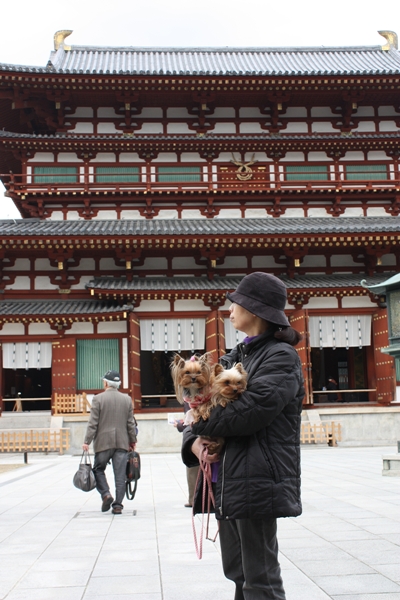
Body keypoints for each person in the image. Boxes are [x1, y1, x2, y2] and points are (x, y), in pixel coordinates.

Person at [182, 272, 305, 600]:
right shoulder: (235, 357)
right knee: (237, 573)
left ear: (254, 310)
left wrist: (197, 422)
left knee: (260, 578)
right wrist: (193, 442)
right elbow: (193, 402)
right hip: (227, 481)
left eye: (236, 303)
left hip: (257, 479)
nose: (230, 309)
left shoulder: (280, 357)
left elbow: (247, 413)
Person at [82, 370, 137, 515]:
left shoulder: (98, 399)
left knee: (98, 469)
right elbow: (130, 423)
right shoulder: (126, 399)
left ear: (106, 383)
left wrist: (87, 441)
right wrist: (132, 441)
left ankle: (106, 494)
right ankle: (118, 505)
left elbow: (93, 423)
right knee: (120, 475)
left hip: (103, 442)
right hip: (121, 442)